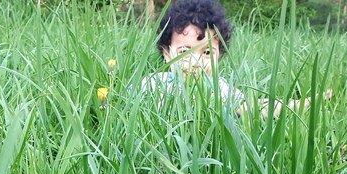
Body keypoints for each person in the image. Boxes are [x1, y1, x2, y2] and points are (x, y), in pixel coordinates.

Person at [142, 0, 331, 117]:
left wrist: (296, 106)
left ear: (220, 56)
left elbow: (253, 108)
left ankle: (298, 105)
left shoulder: (221, 88)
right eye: (184, 51)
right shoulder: (153, 84)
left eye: (207, 53)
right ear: (167, 53)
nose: (196, 62)